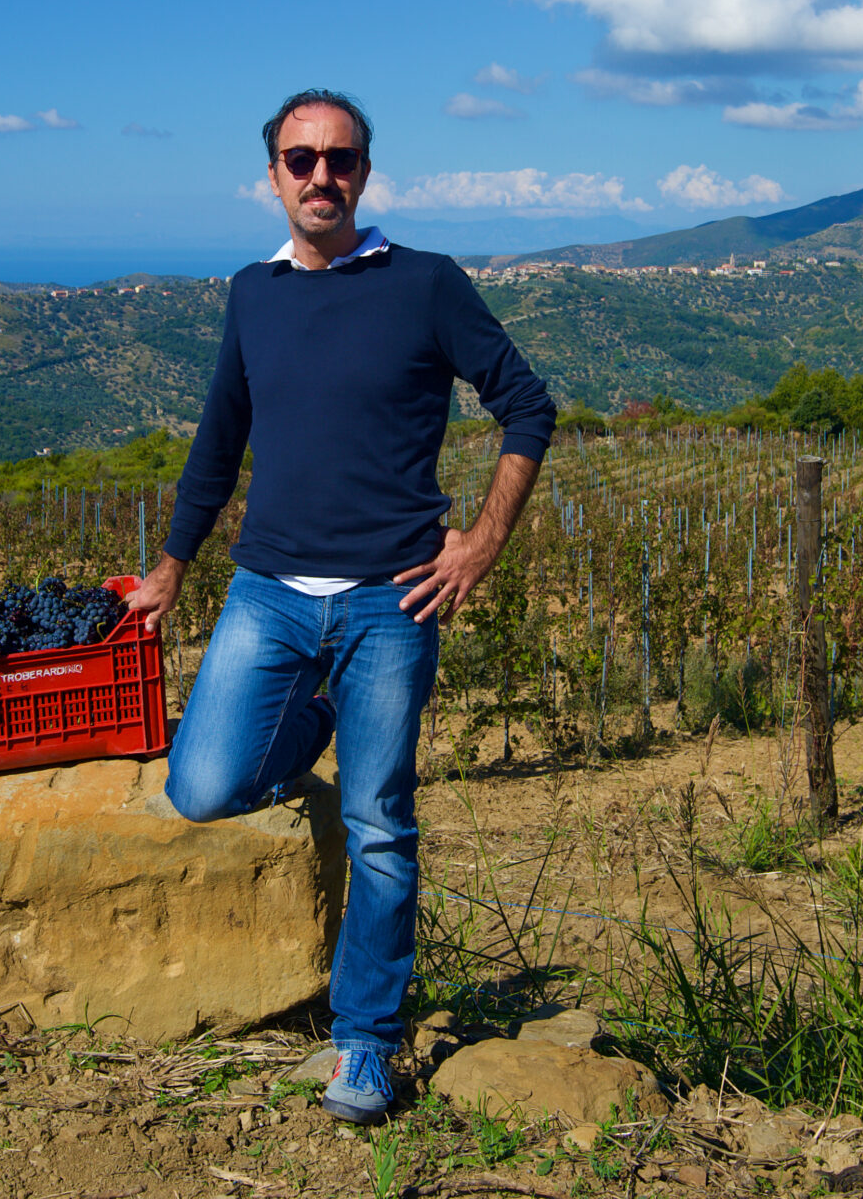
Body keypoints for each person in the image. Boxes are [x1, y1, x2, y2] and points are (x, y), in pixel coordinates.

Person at [128, 88, 555, 1125]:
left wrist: (483, 541)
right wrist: (174, 568)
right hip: (266, 591)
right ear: (271, 174)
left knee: (377, 826)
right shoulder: (250, 291)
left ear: (365, 173)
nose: (321, 176)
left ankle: (364, 1043)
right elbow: (217, 441)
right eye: (300, 158)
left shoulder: (424, 284)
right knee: (201, 789)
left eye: (341, 159)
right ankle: (312, 718)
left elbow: (528, 405)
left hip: (388, 603)